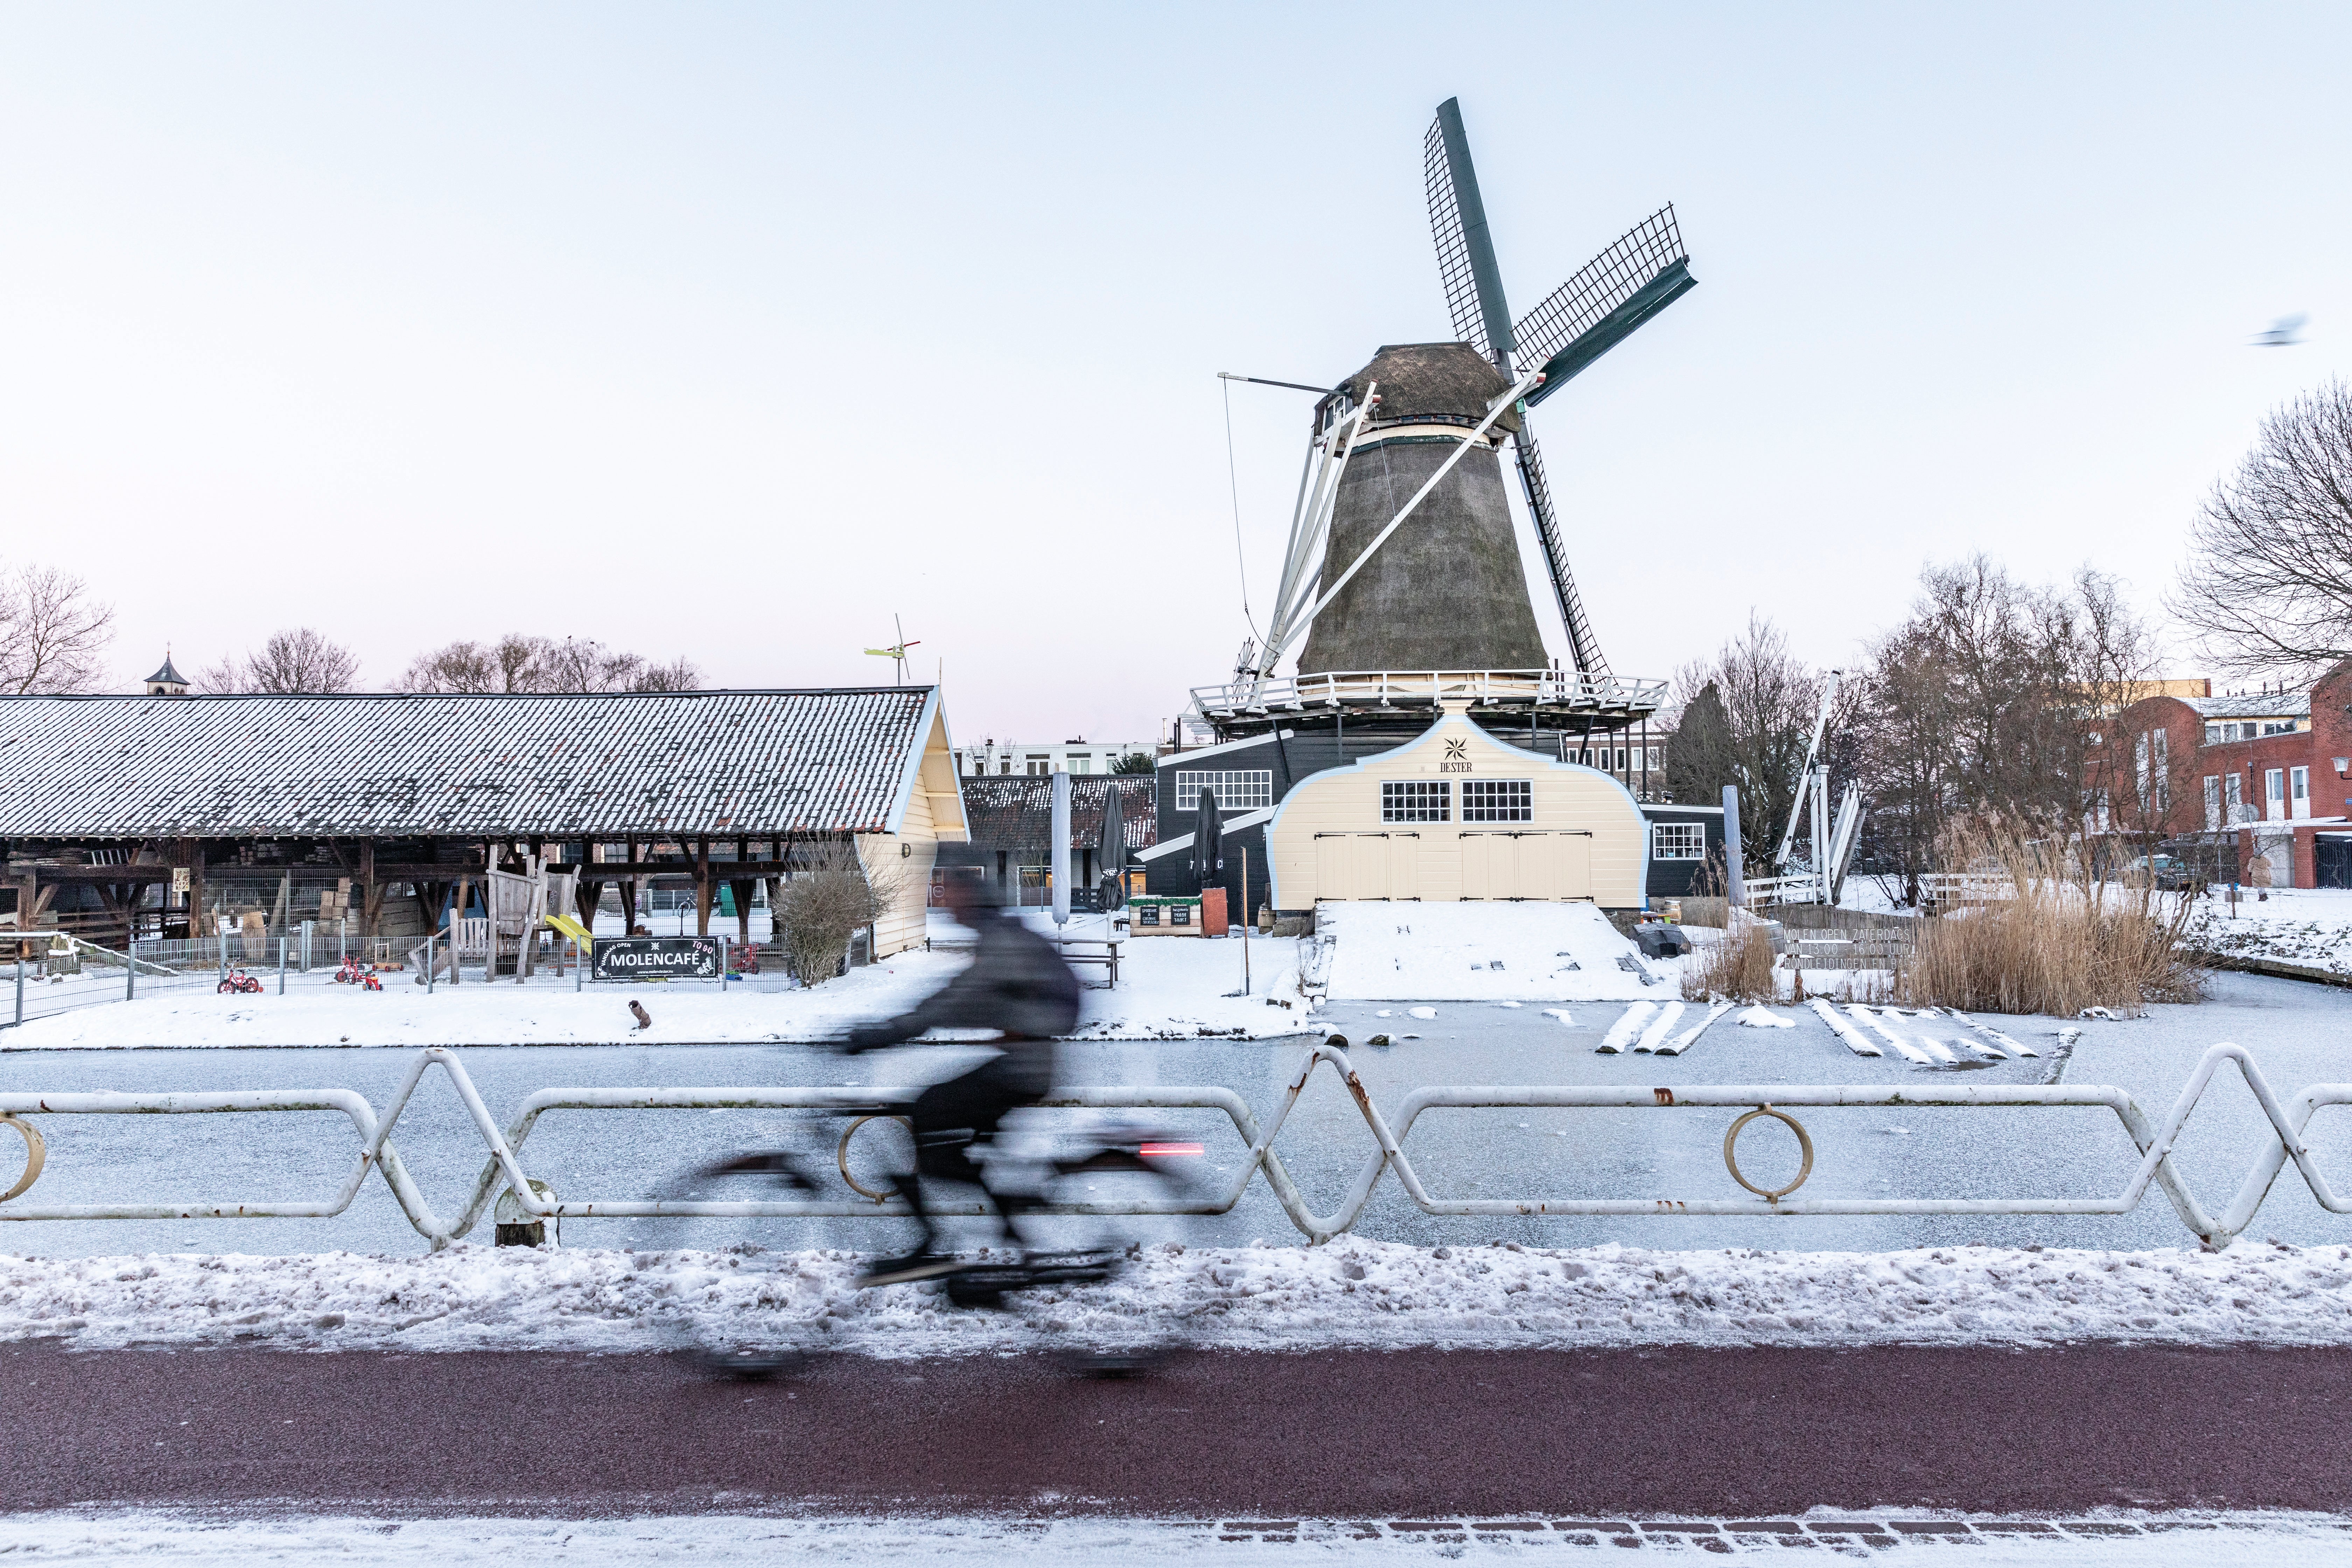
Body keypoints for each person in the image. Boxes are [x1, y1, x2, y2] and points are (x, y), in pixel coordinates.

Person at [841, 847, 1080, 1287]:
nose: (942, 902)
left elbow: (954, 1000)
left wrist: (882, 1035)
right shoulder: (1000, 936)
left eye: (948, 893)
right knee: (942, 1133)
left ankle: (934, 1242)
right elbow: (964, 1000)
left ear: (970, 897)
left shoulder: (999, 944)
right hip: (1025, 1063)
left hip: (1025, 1069)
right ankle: (996, 1221)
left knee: (928, 1108)